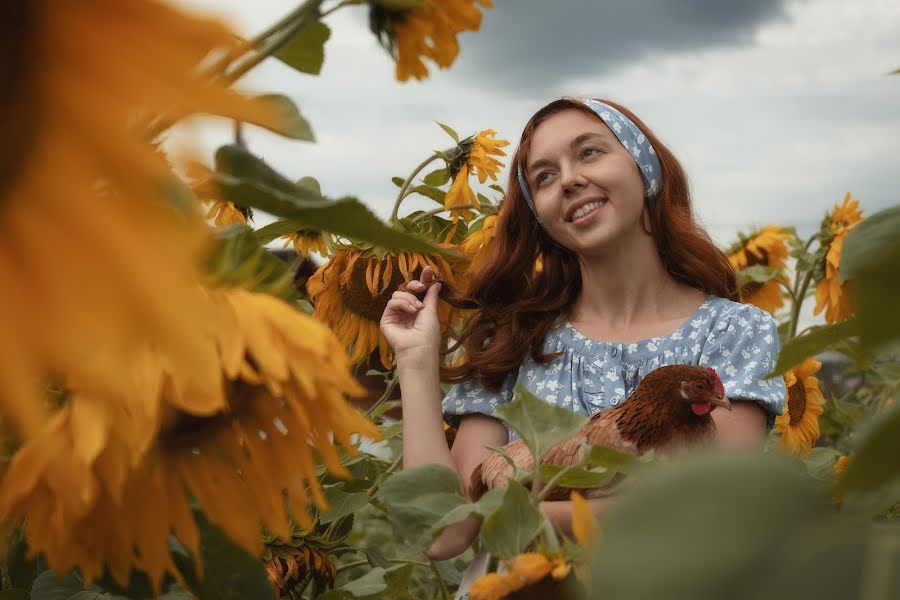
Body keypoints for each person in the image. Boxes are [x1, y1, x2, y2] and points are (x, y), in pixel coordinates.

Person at [379, 97, 787, 566]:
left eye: (589, 152)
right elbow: (446, 533)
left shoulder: (733, 331)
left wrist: (511, 510)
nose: (569, 179)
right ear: (540, 216)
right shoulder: (515, 339)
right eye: (544, 177)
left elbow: (709, 509)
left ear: (645, 168)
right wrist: (414, 361)